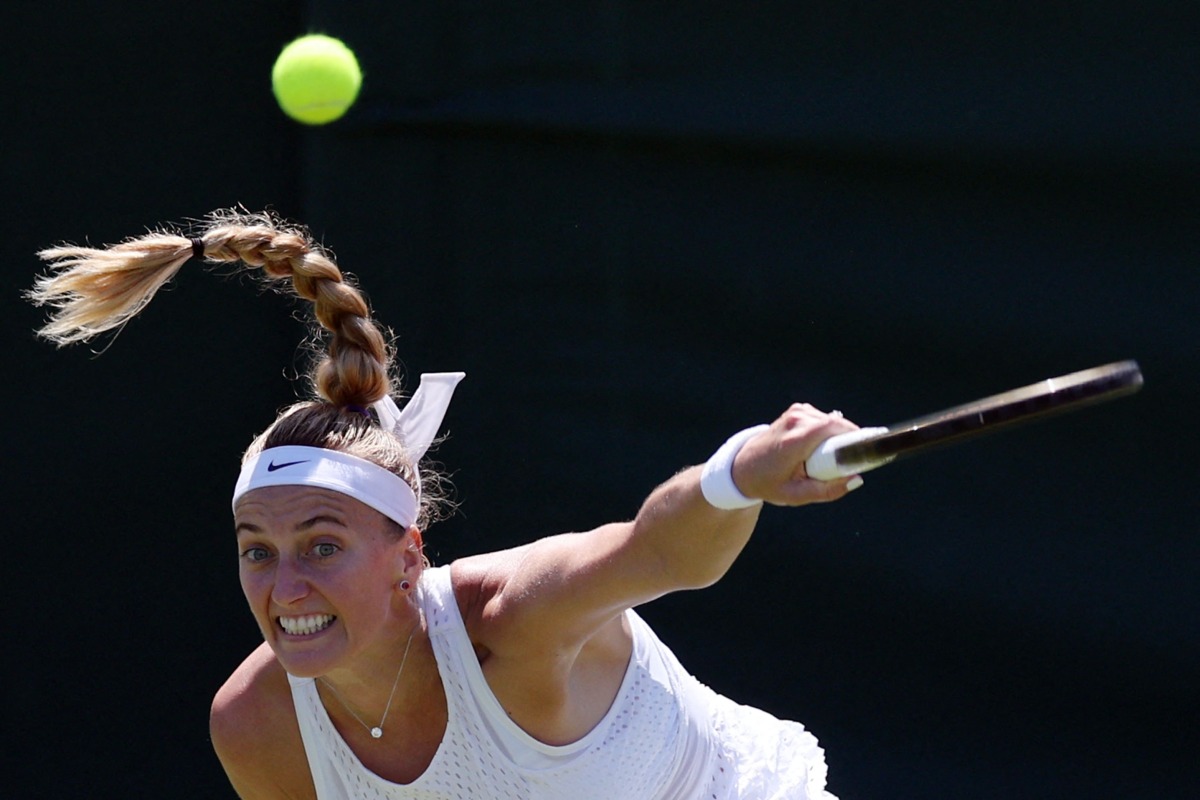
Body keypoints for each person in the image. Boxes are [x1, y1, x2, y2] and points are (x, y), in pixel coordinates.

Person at [29, 209, 865, 800]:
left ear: (409, 553)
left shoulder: (511, 621)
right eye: (258, 549)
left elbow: (660, 550)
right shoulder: (257, 726)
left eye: (322, 546)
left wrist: (741, 474)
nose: (284, 590)